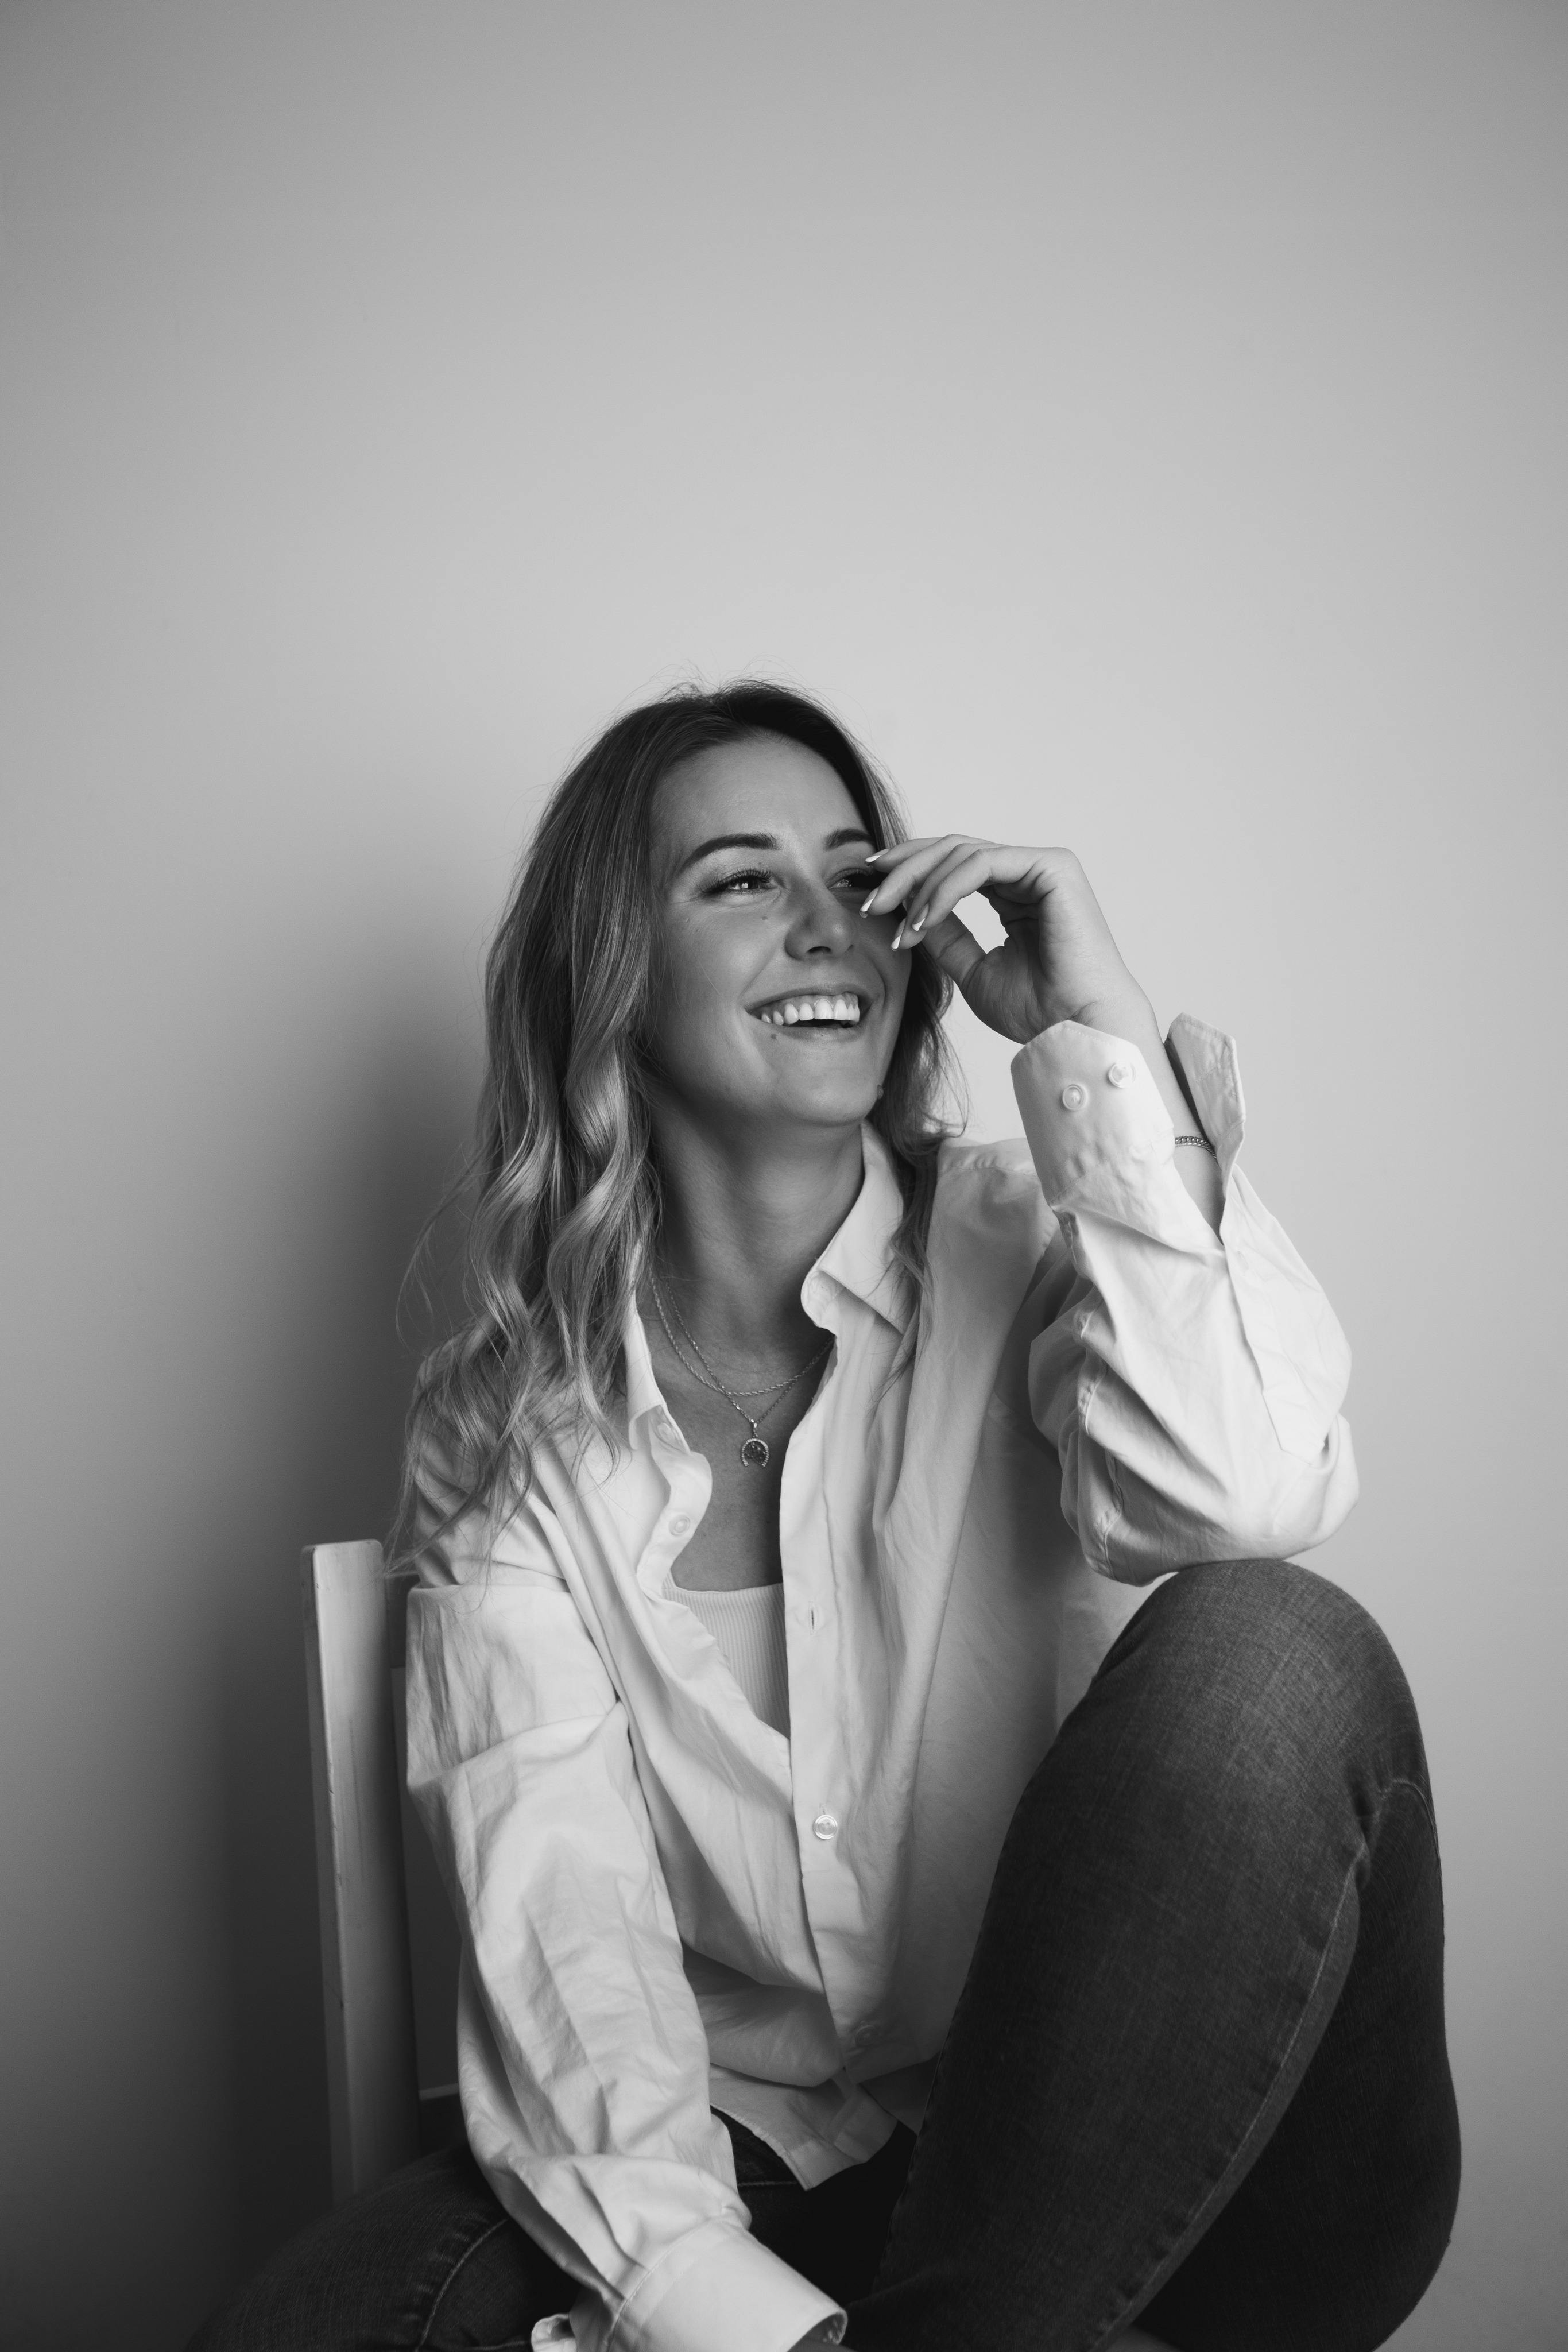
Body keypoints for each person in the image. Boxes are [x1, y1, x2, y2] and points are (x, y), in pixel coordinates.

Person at [191, 682, 1459, 2352]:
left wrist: (1090, 1020)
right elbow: (565, 1942)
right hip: (787, 2159)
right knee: (321, 2319)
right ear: (612, 981)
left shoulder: (1038, 1240)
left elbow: (1251, 1496)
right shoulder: (508, 1434)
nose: (829, 928)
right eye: (739, 879)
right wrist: (750, 2323)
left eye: (857, 876)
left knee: (1272, 1650)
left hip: (1202, 2154)